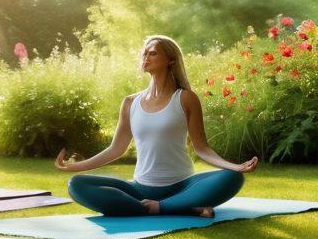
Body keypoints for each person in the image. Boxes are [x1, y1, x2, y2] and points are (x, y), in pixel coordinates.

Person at [57, 34, 257, 217]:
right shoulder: (130, 103)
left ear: (171, 60)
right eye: (144, 53)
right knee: (77, 185)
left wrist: (235, 167)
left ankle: (159, 206)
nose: (146, 57)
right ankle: (176, 207)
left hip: (183, 186)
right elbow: (115, 149)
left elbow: (202, 148)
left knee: (233, 178)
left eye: (152, 53)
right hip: (140, 189)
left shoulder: (186, 98)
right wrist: (75, 166)